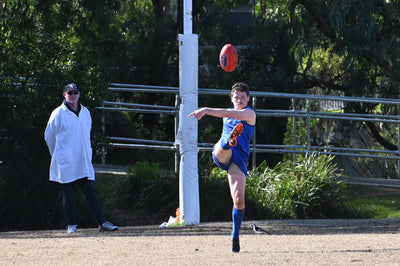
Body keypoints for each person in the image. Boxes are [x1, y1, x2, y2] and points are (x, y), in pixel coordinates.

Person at [189, 82, 256, 252]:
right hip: (222, 153)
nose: (239, 100)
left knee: (239, 200)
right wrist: (205, 110)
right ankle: (228, 141)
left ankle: (235, 234)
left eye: (242, 97)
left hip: (238, 158)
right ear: (232, 98)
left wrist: (205, 110)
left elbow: (226, 112)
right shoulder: (228, 115)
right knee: (223, 146)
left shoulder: (249, 113)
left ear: (248, 99)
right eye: (236, 97)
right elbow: (226, 113)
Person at [44, 83, 118, 233]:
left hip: (83, 160)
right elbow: (49, 136)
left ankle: (102, 223)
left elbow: (86, 135)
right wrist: (58, 155)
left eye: (75, 92)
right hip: (65, 161)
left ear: (79, 94)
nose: (72, 95)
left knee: (91, 193)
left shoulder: (86, 112)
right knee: (69, 195)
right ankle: (71, 225)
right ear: (64, 95)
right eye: (69, 93)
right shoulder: (58, 113)